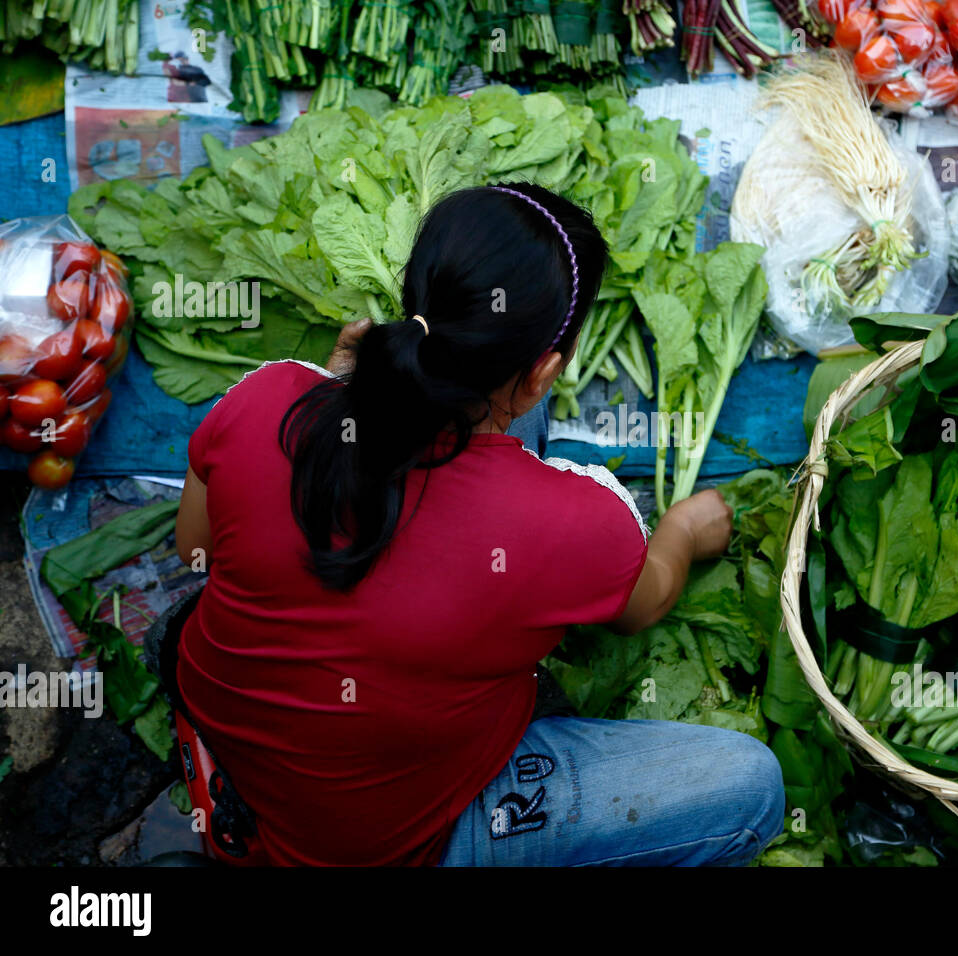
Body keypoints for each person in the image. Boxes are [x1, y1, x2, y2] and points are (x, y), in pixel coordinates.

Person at [172, 184, 786, 866]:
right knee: (751, 786)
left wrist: (346, 388)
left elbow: (194, 549)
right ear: (547, 369)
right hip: (384, 845)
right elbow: (644, 604)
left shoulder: (268, 398)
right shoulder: (575, 524)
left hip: (239, 749)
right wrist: (681, 531)